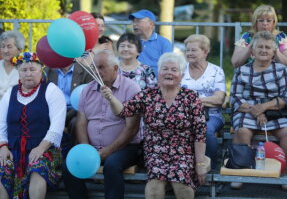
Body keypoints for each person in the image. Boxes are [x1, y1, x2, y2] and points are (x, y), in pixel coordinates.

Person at [101, 52, 208, 199]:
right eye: (165, 69)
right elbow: (123, 111)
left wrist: (200, 163)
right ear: (158, 73)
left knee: (182, 187)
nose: (169, 73)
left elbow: (200, 132)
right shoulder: (148, 95)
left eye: (174, 70)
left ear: (182, 76)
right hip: (155, 152)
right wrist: (111, 98)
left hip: (183, 151)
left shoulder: (191, 97)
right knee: (154, 189)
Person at [62, 49, 142, 199]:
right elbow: (81, 122)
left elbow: (132, 128)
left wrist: (108, 151)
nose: (97, 72)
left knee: (111, 165)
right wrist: (86, 149)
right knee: (69, 166)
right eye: (94, 67)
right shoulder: (87, 89)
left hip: (125, 147)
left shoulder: (131, 88)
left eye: (101, 67)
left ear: (116, 68)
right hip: (92, 147)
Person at [230, 31, 287, 191]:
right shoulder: (241, 70)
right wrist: (256, 111)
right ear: (252, 51)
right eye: (259, 47)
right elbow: (235, 98)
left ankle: (284, 174)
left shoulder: (281, 70)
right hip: (247, 109)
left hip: (274, 109)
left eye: (268, 47)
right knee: (243, 131)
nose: (263, 50)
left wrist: (264, 108)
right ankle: (241, 173)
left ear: (274, 52)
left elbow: (286, 96)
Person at [0, 52, 66, 199]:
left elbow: (56, 127)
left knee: (38, 166)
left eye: (32, 69)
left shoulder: (51, 91)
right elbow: (1, 124)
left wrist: (41, 148)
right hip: (13, 149)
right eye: (24, 70)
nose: (28, 73)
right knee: (2, 166)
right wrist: (3, 147)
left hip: (45, 149)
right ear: (18, 72)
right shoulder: (10, 93)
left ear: (40, 70)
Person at [181, 34, 226, 170]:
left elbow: (219, 99)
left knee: (204, 130)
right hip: (183, 114)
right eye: (187, 50)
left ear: (205, 52)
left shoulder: (216, 71)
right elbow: (173, 96)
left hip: (210, 115)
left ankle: (209, 168)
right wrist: (206, 100)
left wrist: (192, 100)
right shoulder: (180, 69)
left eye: (193, 50)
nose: (189, 53)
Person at [44, 62, 93, 158]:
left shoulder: (86, 72)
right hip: (52, 111)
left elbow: (87, 101)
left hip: (75, 112)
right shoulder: (47, 71)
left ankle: (72, 157)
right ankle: (47, 157)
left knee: (76, 123)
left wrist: (62, 118)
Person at [231, 4, 287, 69]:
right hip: (250, 76)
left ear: (274, 22)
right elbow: (235, 63)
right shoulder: (247, 36)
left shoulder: (281, 37)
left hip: (275, 76)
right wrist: (250, 47)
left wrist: (275, 50)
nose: (265, 23)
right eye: (261, 20)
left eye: (269, 20)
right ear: (255, 22)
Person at [129, 9, 172, 77]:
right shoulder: (130, 42)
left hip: (156, 83)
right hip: (134, 81)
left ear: (151, 24)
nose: (134, 24)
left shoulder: (164, 43)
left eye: (138, 21)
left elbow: (169, 67)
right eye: (133, 21)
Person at [0, 30, 25, 100]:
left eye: (9, 47)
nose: (5, 50)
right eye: (3, 46)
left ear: (19, 49)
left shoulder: (25, 68)